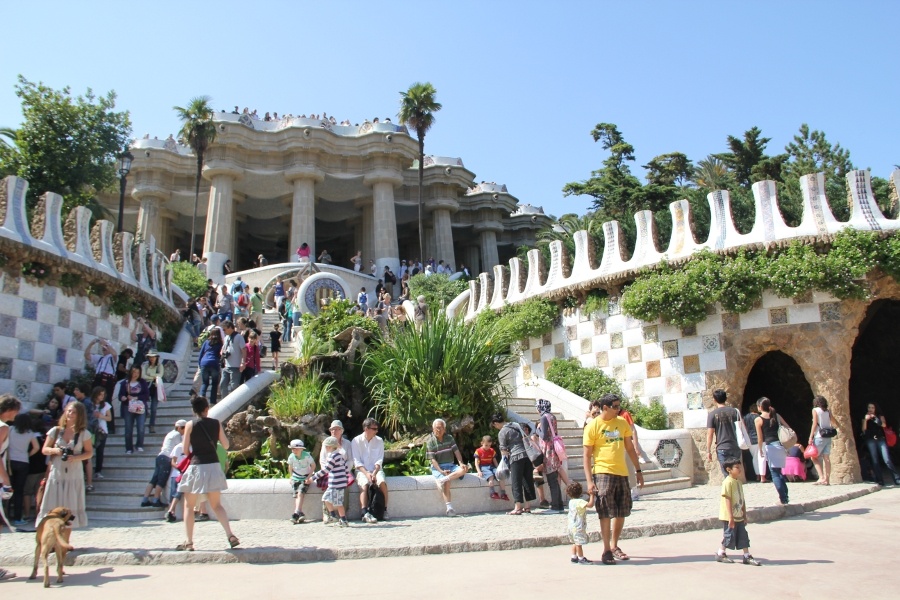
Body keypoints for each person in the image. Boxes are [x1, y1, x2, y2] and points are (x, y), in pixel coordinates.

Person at [582, 393, 644, 565]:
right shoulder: (593, 426)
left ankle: (614, 545)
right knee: (605, 511)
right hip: (602, 472)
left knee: (621, 510)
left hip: (622, 472)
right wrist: (589, 481)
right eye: (615, 406)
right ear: (605, 408)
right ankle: (606, 550)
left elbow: (630, 449)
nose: (619, 409)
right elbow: (586, 456)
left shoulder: (622, 423)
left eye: (619, 406)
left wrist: (638, 470)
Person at [176, 396, 239, 550]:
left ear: (194, 410)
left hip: (197, 466)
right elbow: (226, 444)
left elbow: (185, 450)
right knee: (217, 505)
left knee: (189, 506)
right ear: (207, 409)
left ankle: (189, 542)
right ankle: (230, 534)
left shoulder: (190, 425)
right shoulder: (216, 423)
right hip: (213, 466)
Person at [36, 401, 93, 528]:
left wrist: (76, 457)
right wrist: (55, 450)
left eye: (74, 412)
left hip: (74, 472)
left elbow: (89, 453)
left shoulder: (84, 433)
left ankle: (65, 540)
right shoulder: (55, 431)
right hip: (57, 471)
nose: (70, 414)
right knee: (53, 503)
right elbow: (44, 449)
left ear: (80, 415)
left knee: (70, 507)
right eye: (69, 411)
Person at [715, 459, 761, 565]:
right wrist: (730, 517)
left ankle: (746, 555)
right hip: (729, 516)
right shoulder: (727, 482)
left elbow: (742, 499)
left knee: (743, 535)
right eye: (736, 467)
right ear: (729, 469)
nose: (739, 469)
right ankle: (721, 553)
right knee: (729, 535)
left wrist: (744, 514)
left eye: (740, 467)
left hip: (739, 515)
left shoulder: (738, 482)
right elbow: (727, 499)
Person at [492, 413, 536, 515]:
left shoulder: (502, 431)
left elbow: (503, 449)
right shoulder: (516, 425)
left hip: (516, 457)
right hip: (527, 455)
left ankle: (517, 507)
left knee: (516, 482)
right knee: (527, 480)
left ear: (496, 423)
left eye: (494, 426)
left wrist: (504, 460)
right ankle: (528, 506)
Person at [426, 418, 469, 517]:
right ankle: (449, 508)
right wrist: (441, 471)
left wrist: (461, 463)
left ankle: (445, 478)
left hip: (451, 465)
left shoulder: (449, 438)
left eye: (440, 428)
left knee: (464, 469)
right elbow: (433, 460)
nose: (438, 430)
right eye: (436, 428)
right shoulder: (430, 442)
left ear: (444, 429)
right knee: (447, 482)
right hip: (438, 467)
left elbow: (456, 451)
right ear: (433, 429)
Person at [142, 420, 186, 508]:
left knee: (154, 479)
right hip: (166, 458)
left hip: (160, 456)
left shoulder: (170, 433)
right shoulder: (177, 435)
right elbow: (180, 447)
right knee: (161, 480)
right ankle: (156, 500)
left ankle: (145, 499)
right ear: (180, 428)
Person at [754, 397, 790, 505]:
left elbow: (760, 438)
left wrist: (760, 449)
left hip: (770, 446)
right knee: (779, 472)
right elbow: (787, 427)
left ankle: (783, 498)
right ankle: (785, 496)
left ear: (760, 407)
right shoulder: (776, 415)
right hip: (780, 445)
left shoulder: (758, 419)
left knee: (774, 474)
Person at [352, 417, 388, 523]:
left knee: (381, 482)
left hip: (376, 469)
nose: (376, 431)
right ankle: (364, 512)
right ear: (366, 429)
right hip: (361, 470)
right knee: (364, 484)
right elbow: (357, 461)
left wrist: (375, 472)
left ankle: (384, 509)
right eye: (374, 429)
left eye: (377, 429)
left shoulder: (379, 440)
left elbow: (379, 459)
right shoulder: (356, 441)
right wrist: (367, 473)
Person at [309, 436, 350, 527]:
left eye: (327, 446)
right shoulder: (339, 456)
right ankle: (333, 516)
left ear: (331, 447)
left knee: (338, 503)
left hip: (337, 483)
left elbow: (326, 469)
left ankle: (343, 519)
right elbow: (345, 468)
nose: (326, 448)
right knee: (326, 498)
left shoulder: (333, 456)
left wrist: (313, 477)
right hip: (335, 483)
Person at [7, 413, 40, 525]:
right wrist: (28, 454)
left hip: (10, 461)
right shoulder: (30, 433)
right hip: (23, 462)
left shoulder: (10, 429)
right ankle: (17, 518)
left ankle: (6, 516)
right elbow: (36, 447)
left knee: (7, 489)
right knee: (19, 491)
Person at [318, 420, 354, 521]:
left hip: (344, 470)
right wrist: (328, 471)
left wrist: (344, 470)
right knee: (326, 484)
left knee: (346, 484)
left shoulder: (347, 443)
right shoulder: (326, 443)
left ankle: (342, 514)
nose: (334, 431)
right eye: (332, 429)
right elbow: (322, 460)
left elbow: (350, 460)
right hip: (329, 471)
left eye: (337, 429)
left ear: (341, 431)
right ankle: (327, 513)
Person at [536, 399, 567, 512]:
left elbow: (544, 436)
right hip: (554, 449)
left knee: (552, 480)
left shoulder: (544, 417)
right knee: (554, 479)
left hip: (549, 451)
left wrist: (537, 430)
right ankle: (559, 505)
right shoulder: (552, 416)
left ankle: (555, 506)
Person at [861, 402, 900, 486]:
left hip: (880, 439)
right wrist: (866, 420)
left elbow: (884, 425)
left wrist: (875, 418)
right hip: (870, 440)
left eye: (872, 407)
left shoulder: (879, 416)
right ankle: (880, 480)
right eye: (869, 407)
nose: (870, 409)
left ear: (875, 409)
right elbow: (864, 429)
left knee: (887, 460)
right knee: (875, 461)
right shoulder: (865, 417)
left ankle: (896, 479)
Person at [706, 389, 741, 477]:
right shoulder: (735, 412)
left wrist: (708, 451)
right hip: (735, 445)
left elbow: (710, 434)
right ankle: (735, 489)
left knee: (727, 474)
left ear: (714, 400)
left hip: (722, 447)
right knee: (735, 473)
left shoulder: (712, 414)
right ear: (726, 398)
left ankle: (730, 489)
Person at [119, 366, 150, 454]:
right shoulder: (125, 382)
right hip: (127, 407)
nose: (135, 374)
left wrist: (136, 397)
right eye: (133, 372)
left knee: (141, 428)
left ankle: (139, 445)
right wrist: (123, 397)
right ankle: (129, 448)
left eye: (137, 372)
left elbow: (147, 395)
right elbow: (120, 395)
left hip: (140, 406)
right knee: (128, 429)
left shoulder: (142, 382)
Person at [287, 439, 316, 524]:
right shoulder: (291, 456)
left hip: (305, 478)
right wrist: (291, 476)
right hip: (296, 477)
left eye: (296, 448)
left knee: (300, 493)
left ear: (301, 449)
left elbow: (313, 465)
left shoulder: (307, 455)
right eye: (292, 449)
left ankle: (296, 513)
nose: (294, 450)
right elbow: (290, 466)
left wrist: (309, 476)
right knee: (297, 495)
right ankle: (300, 513)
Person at [567, 480, 596, 564]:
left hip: (571, 527)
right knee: (579, 544)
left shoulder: (571, 502)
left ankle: (573, 556)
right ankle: (581, 558)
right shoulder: (580, 502)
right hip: (578, 527)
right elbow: (590, 504)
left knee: (574, 542)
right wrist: (591, 495)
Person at [474, 434, 509, 501]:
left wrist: (499, 468)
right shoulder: (478, 451)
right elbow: (476, 462)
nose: (488, 447)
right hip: (483, 467)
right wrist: (479, 471)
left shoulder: (492, 451)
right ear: (482, 443)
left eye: (489, 445)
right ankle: (492, 492)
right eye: (486, 445)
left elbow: (494, 460)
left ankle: (503, 493)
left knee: (500, 476)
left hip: (491, 466)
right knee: (491, 476)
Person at [809, 395, 834, 485]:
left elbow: (815, 424)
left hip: (819, 436)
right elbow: (833, 421)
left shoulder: (815, 410)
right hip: (828, 437)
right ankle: (827, 479)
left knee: (813, 457)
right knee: (826, 458)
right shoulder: (827, 411)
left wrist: (811, 436)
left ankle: (821, 477)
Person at [219, 320, 247, 398]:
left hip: (235, 365)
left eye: (225, 329)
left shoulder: (239, 337)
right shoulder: (226, 337)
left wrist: (243, 362)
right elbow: (223, 348)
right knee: (222, 384)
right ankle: (224, 401)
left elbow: (244, 350)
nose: (224, 331)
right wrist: (223, 353)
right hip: (226, 365)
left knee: (234, 386)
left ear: (230, 328)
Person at [198, 328, 223, 404]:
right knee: (214, 384)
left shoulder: (206, 342)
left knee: (205, 383)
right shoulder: (220, 344)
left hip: (204, 363)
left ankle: (201, 399)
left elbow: (201, 354)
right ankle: (212, 401)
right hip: (214, 364)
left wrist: (200, 364)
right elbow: (221, 355)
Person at [91, 386, 111, 480]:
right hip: (91, 430)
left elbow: (109, 418)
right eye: (100, 394)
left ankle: (98, 471)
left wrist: (101, 416)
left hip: (102, 431)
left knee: (100, 451)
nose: (102, 396)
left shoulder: (105, 405)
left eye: (103, 394)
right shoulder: (90, 404)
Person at [141, 351, 164, 434]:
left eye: (153, 357)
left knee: (153, 408)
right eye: (150, 357)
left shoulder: (159, 366)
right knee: (144, 405)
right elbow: (143, 376)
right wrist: (153, 376)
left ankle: (151, 425)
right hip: (146, 387)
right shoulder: (145, 365)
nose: (152, 359)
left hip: (155, 387)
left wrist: (150, 376)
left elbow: (160, 375)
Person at [742, 403, 765, 483]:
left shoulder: (745, 417)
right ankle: (763, 476)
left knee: (755, 458)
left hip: (750, 440)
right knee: (762, 457)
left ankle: (757, 475)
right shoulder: (759, 417)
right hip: (760, 439)